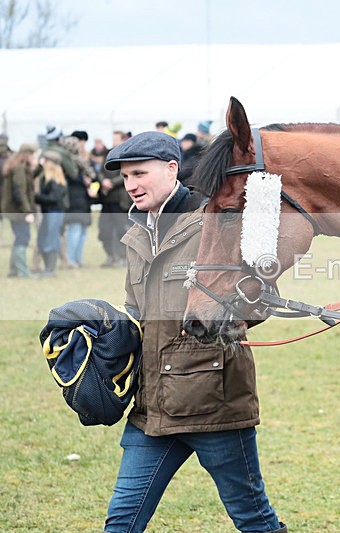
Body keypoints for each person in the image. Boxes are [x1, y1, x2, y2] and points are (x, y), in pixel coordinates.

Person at [102, 131, 286, 533]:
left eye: (139, 173)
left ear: (171, 169)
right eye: (125, 177)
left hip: (213, 405)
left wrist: (224, 310)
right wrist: (103, 336)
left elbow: (263, 299)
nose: (131, 184)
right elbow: (138, 313)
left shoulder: (215, 219)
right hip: (152, 409)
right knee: (121, 521)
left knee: (253, 518)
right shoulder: (135, 233)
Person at [1, 143, 38, 277]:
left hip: (13, 210)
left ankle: (13, 270)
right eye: (32, 154)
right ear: (27, 154)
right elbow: (19, 192)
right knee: (23, 238)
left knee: (19, 238)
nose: (34, 157)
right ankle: (23, 271)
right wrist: (27, 212)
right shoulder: (19, 169)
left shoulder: (16, 166)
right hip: (18, 211)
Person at [97, 130, 132, 267]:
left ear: (123, 140)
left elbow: (126, 174)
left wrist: (112, 183)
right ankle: (110, 256)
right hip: (106, 200)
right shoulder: (108, 154)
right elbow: (100, 171)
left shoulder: (127, 155)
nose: (114, 141)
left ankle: (123, 257)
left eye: (116, 139)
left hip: (120, 200)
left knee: (121, 230)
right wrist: (103, 181)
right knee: (104, 230)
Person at [61, 135, 97, 268]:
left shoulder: (81, 161)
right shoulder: (67, 163)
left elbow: (92, 176)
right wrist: (84, 180)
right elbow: (72, 178)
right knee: (75, 230)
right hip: (73, 200)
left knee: (81, 231)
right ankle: (71, 260)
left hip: (82, 200)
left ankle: (77, 259)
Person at [34, 150, 69, 277]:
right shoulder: (50, 179)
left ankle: (50, 269)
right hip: (50, 213)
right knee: (44, 239)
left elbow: (54, 198)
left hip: (54, 213)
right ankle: (48, 269)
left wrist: (37, 197)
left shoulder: (54, 180)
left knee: (51, 240)